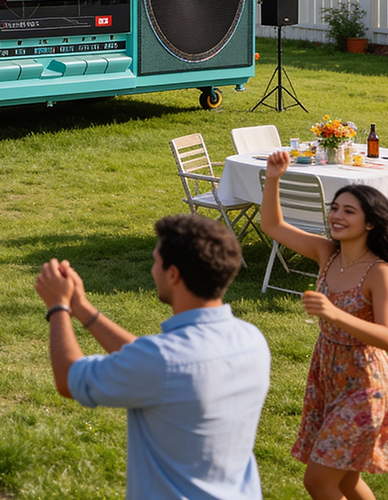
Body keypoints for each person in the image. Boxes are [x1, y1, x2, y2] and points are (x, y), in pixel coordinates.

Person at [35, 214, 270, 500]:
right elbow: (152, 365)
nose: (152, 270)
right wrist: (82, 308)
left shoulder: (162, 362)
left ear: (173, 274)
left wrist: (58, 307)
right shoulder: (252, 340)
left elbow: (68, 379)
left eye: (156, 261)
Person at [261, 151, 388, 500]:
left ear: (370, 223)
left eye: (349, 211)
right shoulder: (326, 252)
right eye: (335, 208)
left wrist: (334, 314)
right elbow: (273, 227)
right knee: (345, 482)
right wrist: (274, 177)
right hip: (328, 376)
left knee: (318, 482)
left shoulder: (379, 272)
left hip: (365, 383)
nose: (337, 216)